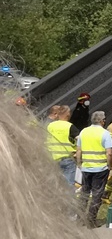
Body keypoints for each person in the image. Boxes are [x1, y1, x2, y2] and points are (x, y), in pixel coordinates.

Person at [0, 94, 91, 239]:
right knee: (67, 188)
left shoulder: (48, 125)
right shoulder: (67, 126)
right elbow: (78, 140)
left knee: (54, 188)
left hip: (51, 159)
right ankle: (70, 216)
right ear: (67, 115)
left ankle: (60, 212)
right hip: (65, 159)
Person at [76, 110, 112, 228]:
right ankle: (91, 220)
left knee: (84, 193)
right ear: (103, 121)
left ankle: (80, 219)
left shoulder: (84, 132)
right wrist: (110, 166)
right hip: (100, 169)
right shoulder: (105, 133)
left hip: (86, 168)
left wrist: (79, 164)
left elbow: (78, 150)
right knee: (97, 194)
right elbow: (109, 153)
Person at [46, 104, 80, 187]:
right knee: (69, 184)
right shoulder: (69, 126)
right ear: (68, 115)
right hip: (67, 159)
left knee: (57, 184)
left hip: (53, 159)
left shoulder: (50, 126)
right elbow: (80, 139)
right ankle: (70, 200)